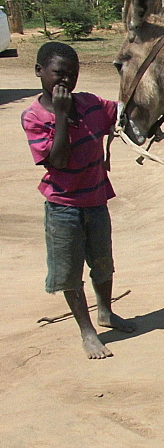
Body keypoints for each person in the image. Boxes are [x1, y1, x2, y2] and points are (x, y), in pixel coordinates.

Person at [21, 42, 134, 359]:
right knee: (70, 273)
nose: (66, 82)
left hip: (96, 199)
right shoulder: (34, 116)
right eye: (59, 74)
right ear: (39, 71)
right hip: (63, 208)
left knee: (103, 263)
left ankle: (106, 313)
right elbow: (57, 160)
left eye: (73, 74)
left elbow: (124, 114)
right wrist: (60, 115)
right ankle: (87, 331)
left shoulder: (91, 104)